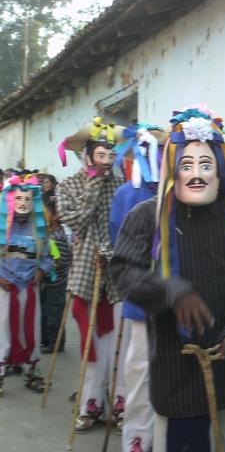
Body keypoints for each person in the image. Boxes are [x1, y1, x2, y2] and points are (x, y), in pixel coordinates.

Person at [110, 107, 225, 452]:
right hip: (178, 368)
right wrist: (172, 292)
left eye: (206, 166)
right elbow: (123, 273)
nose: (196, 175)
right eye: (186, 166)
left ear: (221, 170)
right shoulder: (146, 216)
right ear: (172, 169)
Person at [56, 117, 127, 431]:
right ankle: (91, 403)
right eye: (100, 153)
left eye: (110, 153)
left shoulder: (121, 184)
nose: (106, 159)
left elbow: (125, 225)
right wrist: (95, 182)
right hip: (84, 271)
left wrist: (111, 253)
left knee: (118, 341)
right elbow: (78, 222)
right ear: (86, 155)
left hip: (117, 271)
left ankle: (120, 402)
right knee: (91, 339)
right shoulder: (68, 186)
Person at [108, 123, 166, 452]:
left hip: (174, 299)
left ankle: (149, 438)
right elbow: (120, 244)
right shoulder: (127, 194)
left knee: (148, 371)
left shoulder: (180, 189)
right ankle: (139, 439)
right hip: (145, 299)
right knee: (141, 369)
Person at [0, 175, 53, 394]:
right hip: (4, 288)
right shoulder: (2, 227)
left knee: (31, 328)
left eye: (27, 199)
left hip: (29, 287)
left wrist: (41, 270)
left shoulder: (39, 230)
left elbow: (48, 256)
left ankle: (32, 370)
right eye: (19, 199)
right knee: (2, 330)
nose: (23, 203)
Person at [40, 193, 72, 354]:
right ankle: (48, 340)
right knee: (47, 312)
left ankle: (56, 343)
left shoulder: (58, 236)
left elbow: (63, 260)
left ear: (55, 216)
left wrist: (47, 269)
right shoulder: (48, 234)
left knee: (54, 315)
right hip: (49, 281)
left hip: (56, 283)